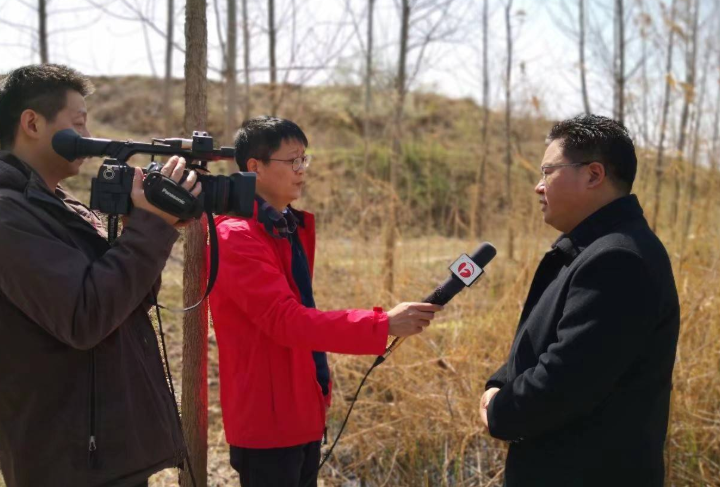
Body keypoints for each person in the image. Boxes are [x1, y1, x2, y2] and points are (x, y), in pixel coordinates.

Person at [209, 116, 442, 487]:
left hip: (301, 407)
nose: (303, 170)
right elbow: (286, 321)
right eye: (293, 161)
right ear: (255, 167)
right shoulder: (236, 235)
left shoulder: (284, 225)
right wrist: (381, 324)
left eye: (305, 159)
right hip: (267, 419)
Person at [0, 64, 201, 486]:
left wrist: (145, 227)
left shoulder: (60, 204)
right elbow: (85, 315)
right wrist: (150, 228)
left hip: (104, 452)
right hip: (67, 460)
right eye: (78, 122)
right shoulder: (8, 213)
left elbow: (128, 300)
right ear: (32, 123)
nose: (89, 133)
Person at [480, 115, 680, 487]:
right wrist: (499, 383)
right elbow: (536, 345)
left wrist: (500, 410)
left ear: (593, 175)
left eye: (548, 171)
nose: (538, 187)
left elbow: (565, 381)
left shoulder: (619, 260)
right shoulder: (589, 249)